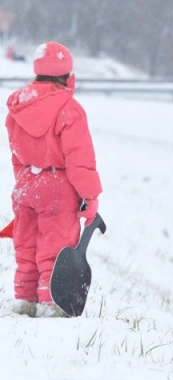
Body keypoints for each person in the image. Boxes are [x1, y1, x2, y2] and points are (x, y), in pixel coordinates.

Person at [5, 41, 102, 318]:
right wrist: (90, 198)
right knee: (55, 247)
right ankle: (51, 303)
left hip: (25, 185)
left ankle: (24, 299)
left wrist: (25, 183)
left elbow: (16, 155)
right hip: (58, 188)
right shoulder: (69, 109)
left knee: (27, 246)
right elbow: (79, 160)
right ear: (67, 76)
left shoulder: (18, 108)